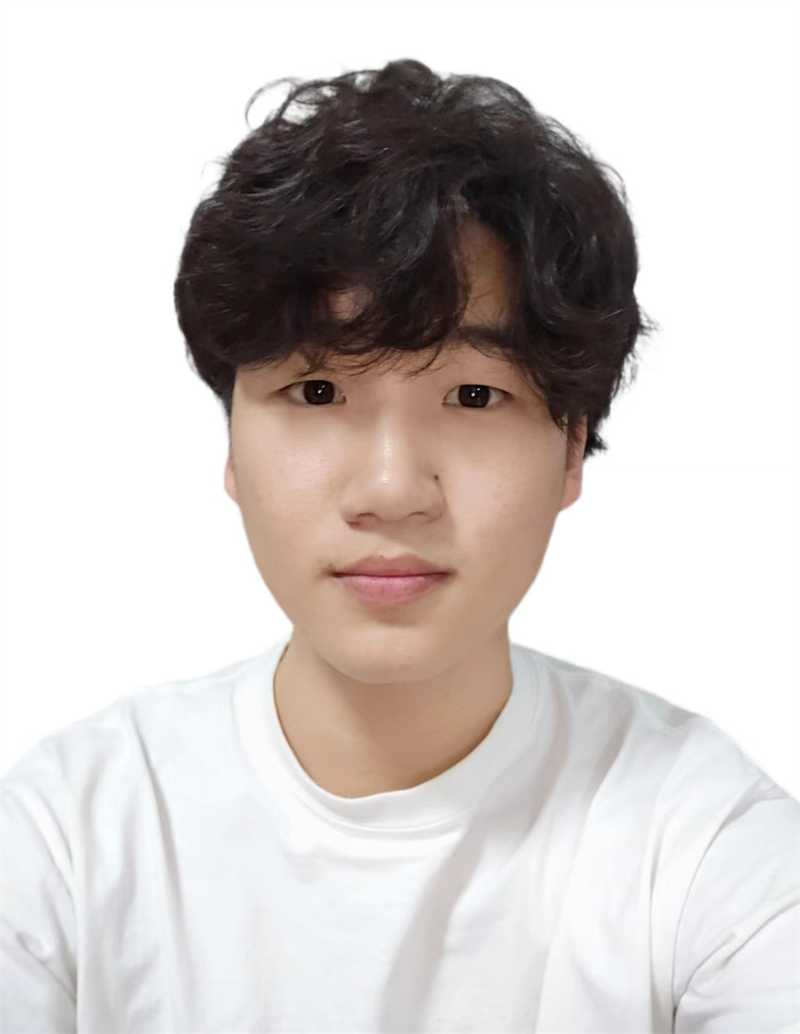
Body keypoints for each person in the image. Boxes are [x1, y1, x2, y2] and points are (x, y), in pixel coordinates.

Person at [1, 59, 797, 1034]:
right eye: (317, 391)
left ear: (569, 451)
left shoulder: (703, 843)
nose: (390, 491)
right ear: (232, 445)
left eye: (474, 395)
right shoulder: (66, 839)